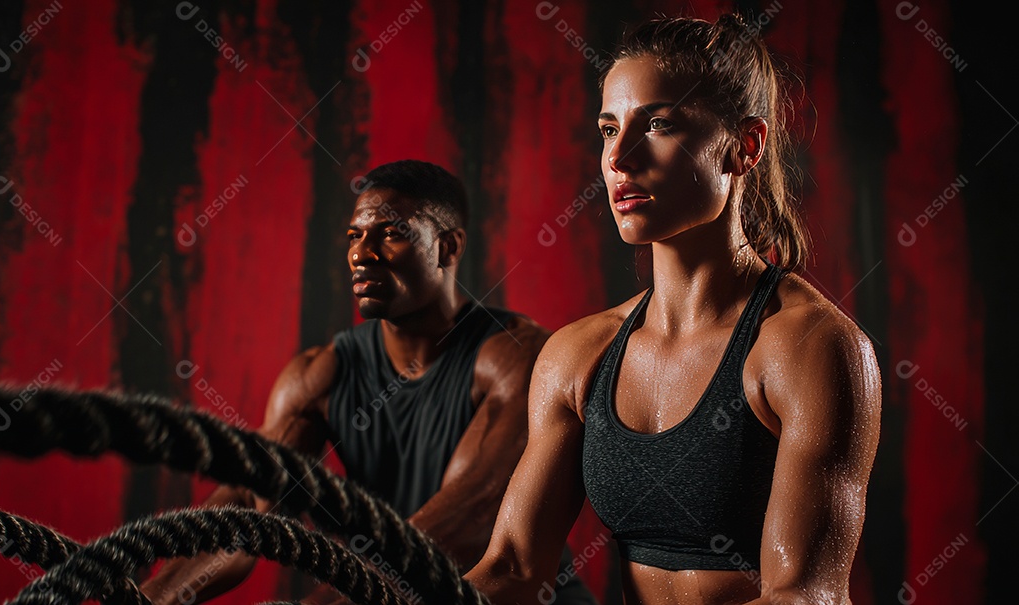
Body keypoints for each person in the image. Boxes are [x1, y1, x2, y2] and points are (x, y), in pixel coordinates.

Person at [465, 15, 881, 605]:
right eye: (609, 129)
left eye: (659, 124)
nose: (620, 158)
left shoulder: (810, 346)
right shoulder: (578, 354)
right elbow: (511, 567)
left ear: (744, 147)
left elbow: (804, 595)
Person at [141, 160, 596, 605]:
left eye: (392, 233)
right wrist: (150, 598)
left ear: (447, 247)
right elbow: (249, 503)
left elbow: (470, 519)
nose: (362, 254)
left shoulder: (516, 358)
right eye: (354, 236)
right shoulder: (320, 375)